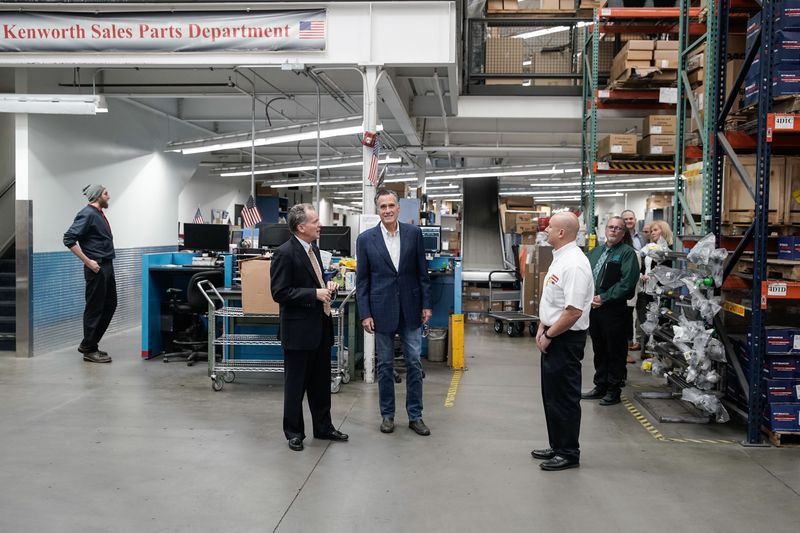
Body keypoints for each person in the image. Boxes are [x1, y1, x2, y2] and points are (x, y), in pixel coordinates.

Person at [270, 203, 349, 452]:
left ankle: (323, 427)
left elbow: (314, 281)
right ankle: (294, 432)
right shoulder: (285, 253)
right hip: (298, 333)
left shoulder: (313, 248)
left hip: (319, 329)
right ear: (301, 226)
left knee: (320, 384)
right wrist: (314, 293)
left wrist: (327, 287)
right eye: (315, 221)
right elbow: (279, 292)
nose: (320, 225)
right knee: (295, 386)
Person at [356, 188, 432, 436]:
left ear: (399, 207)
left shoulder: (413, 234)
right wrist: (365, 313)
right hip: (381, 310)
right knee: (385, 366)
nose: (387, 210)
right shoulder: (366, 239)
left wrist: (426, 304)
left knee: (413, 362)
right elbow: (363, 281)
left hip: (411, 309)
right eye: (382, 207)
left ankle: (415, 415)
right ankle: (387, 415)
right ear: (377, 210)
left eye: (391, 206)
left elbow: (423, 274)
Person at [532, 212, 594, 472]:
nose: (545, 231)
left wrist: (549, 335)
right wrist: (541, 325)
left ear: (561, 233)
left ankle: (569, 452)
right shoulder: (560, 259)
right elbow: (553, 301)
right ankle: (557, 444)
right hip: (553, 334)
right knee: (552, 396)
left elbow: (573, 312)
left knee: (565, 397)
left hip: (565, 340)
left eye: (550, 227)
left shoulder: (575, 265)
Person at [582, 216, 640, 406]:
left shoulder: (627, 253)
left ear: (623, 233)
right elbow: (585, 276)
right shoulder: (595, 252)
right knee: (599, 348)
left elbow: (628, 283)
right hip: (594, 309)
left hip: (614, 310)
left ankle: (613, 390)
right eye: (611, 227)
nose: (613, 231)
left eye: (618, 228)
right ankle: (600, 385)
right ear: (604, 230)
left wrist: (604, 298)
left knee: (615, 350)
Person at [63, 185, 117, 364]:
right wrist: (88, 262)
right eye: (105, 193)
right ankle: (88, 349)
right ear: (97, 196)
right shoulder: (87, 214)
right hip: (97, 267)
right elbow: (69, 239)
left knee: (110, 304)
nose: (108, 196)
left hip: (107, 264)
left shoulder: (99, 214)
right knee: (95, 308)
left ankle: (90, 344)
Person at [636, 220, 674, 353]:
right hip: (646, 289)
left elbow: (667, 273)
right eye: (651, 231)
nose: (652, 233)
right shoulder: (649, 247)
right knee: (646, 318)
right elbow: (642, 266)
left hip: (660, 291)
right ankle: (648, 350)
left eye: (655, 230)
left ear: (663, 231)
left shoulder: (669, 249)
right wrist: (641, 275)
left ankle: (657, 351)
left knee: (659, 319)